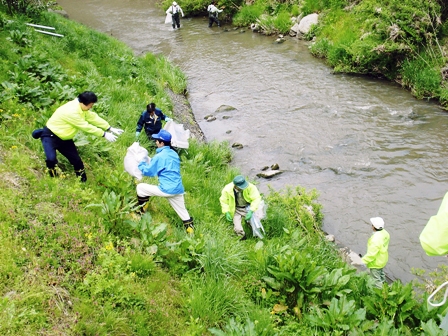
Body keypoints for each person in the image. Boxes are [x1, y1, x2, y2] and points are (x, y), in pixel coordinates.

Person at [33, 91, 123, 182]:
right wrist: (104, 134)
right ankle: (53, 179)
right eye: (90, 105)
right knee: (51, 159)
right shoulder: (71, 111)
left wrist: (109, 128)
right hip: (51, 136)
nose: (91, 107)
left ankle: (83, 182)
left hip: (65, 139)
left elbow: (93, 117)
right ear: (83, 103)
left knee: (76, 161)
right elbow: (85, 126)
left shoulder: (81, 108)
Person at [136, 129, 194, 232]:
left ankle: (141, 211)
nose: (156, 142)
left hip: (166, 189)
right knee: (183, 213)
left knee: (140, 188)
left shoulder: (159, 156)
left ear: (161, 143)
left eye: (157, 140)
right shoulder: (174, 154)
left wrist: (141, 164)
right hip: (178, 188)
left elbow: (149, 172)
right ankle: (191, 232)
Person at [220, 175, 261, 239]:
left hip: (248, 208)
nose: (243, 188)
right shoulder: (227, 190)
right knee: (237, 228)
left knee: (254, 224)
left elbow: (256, 198)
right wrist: (226, 212)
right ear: (235, 186)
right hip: (236, 210)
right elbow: (224, 201)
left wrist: (251, 211)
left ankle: (254, 234)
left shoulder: (250, 187)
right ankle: (242, 237)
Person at [361, 217, 390, 288]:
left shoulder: (375, 239)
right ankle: (384, 285)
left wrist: (362, 261)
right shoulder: (385, 233)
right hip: (382, 259)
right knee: (381, 273)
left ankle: (381, 294)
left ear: (374, 227)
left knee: (376, 279)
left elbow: (371, 255)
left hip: (375, 262)